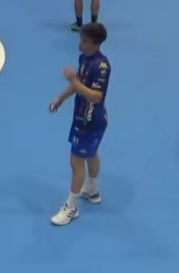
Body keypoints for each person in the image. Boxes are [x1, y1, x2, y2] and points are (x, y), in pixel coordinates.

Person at [48, 23, 110, 226]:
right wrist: (62, 98)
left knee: (76, 161)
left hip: (90, 120)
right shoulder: (84, 58)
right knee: (91, 154)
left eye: (84, 41)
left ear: (94, 43)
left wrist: (74, 81)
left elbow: (96, 96)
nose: (80, 43)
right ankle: (92, 190)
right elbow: (79, 84)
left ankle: (71, 207)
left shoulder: (101, 66)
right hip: (82, 116)